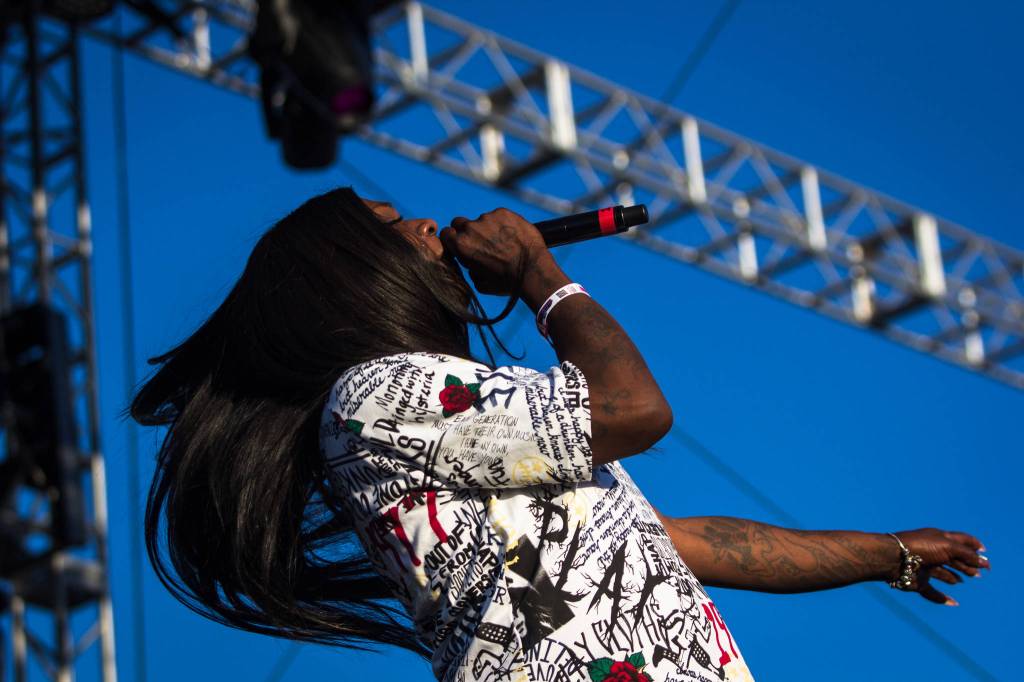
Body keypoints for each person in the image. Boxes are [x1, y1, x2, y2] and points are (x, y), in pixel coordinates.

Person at [130, 187, 989, 682]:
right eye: (398, 226)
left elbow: (691, 547)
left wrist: (890, 554)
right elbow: (633, 409)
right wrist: (541, 274)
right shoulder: (378, 398)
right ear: (353, 275)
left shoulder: (471, 421)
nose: (429, 228)